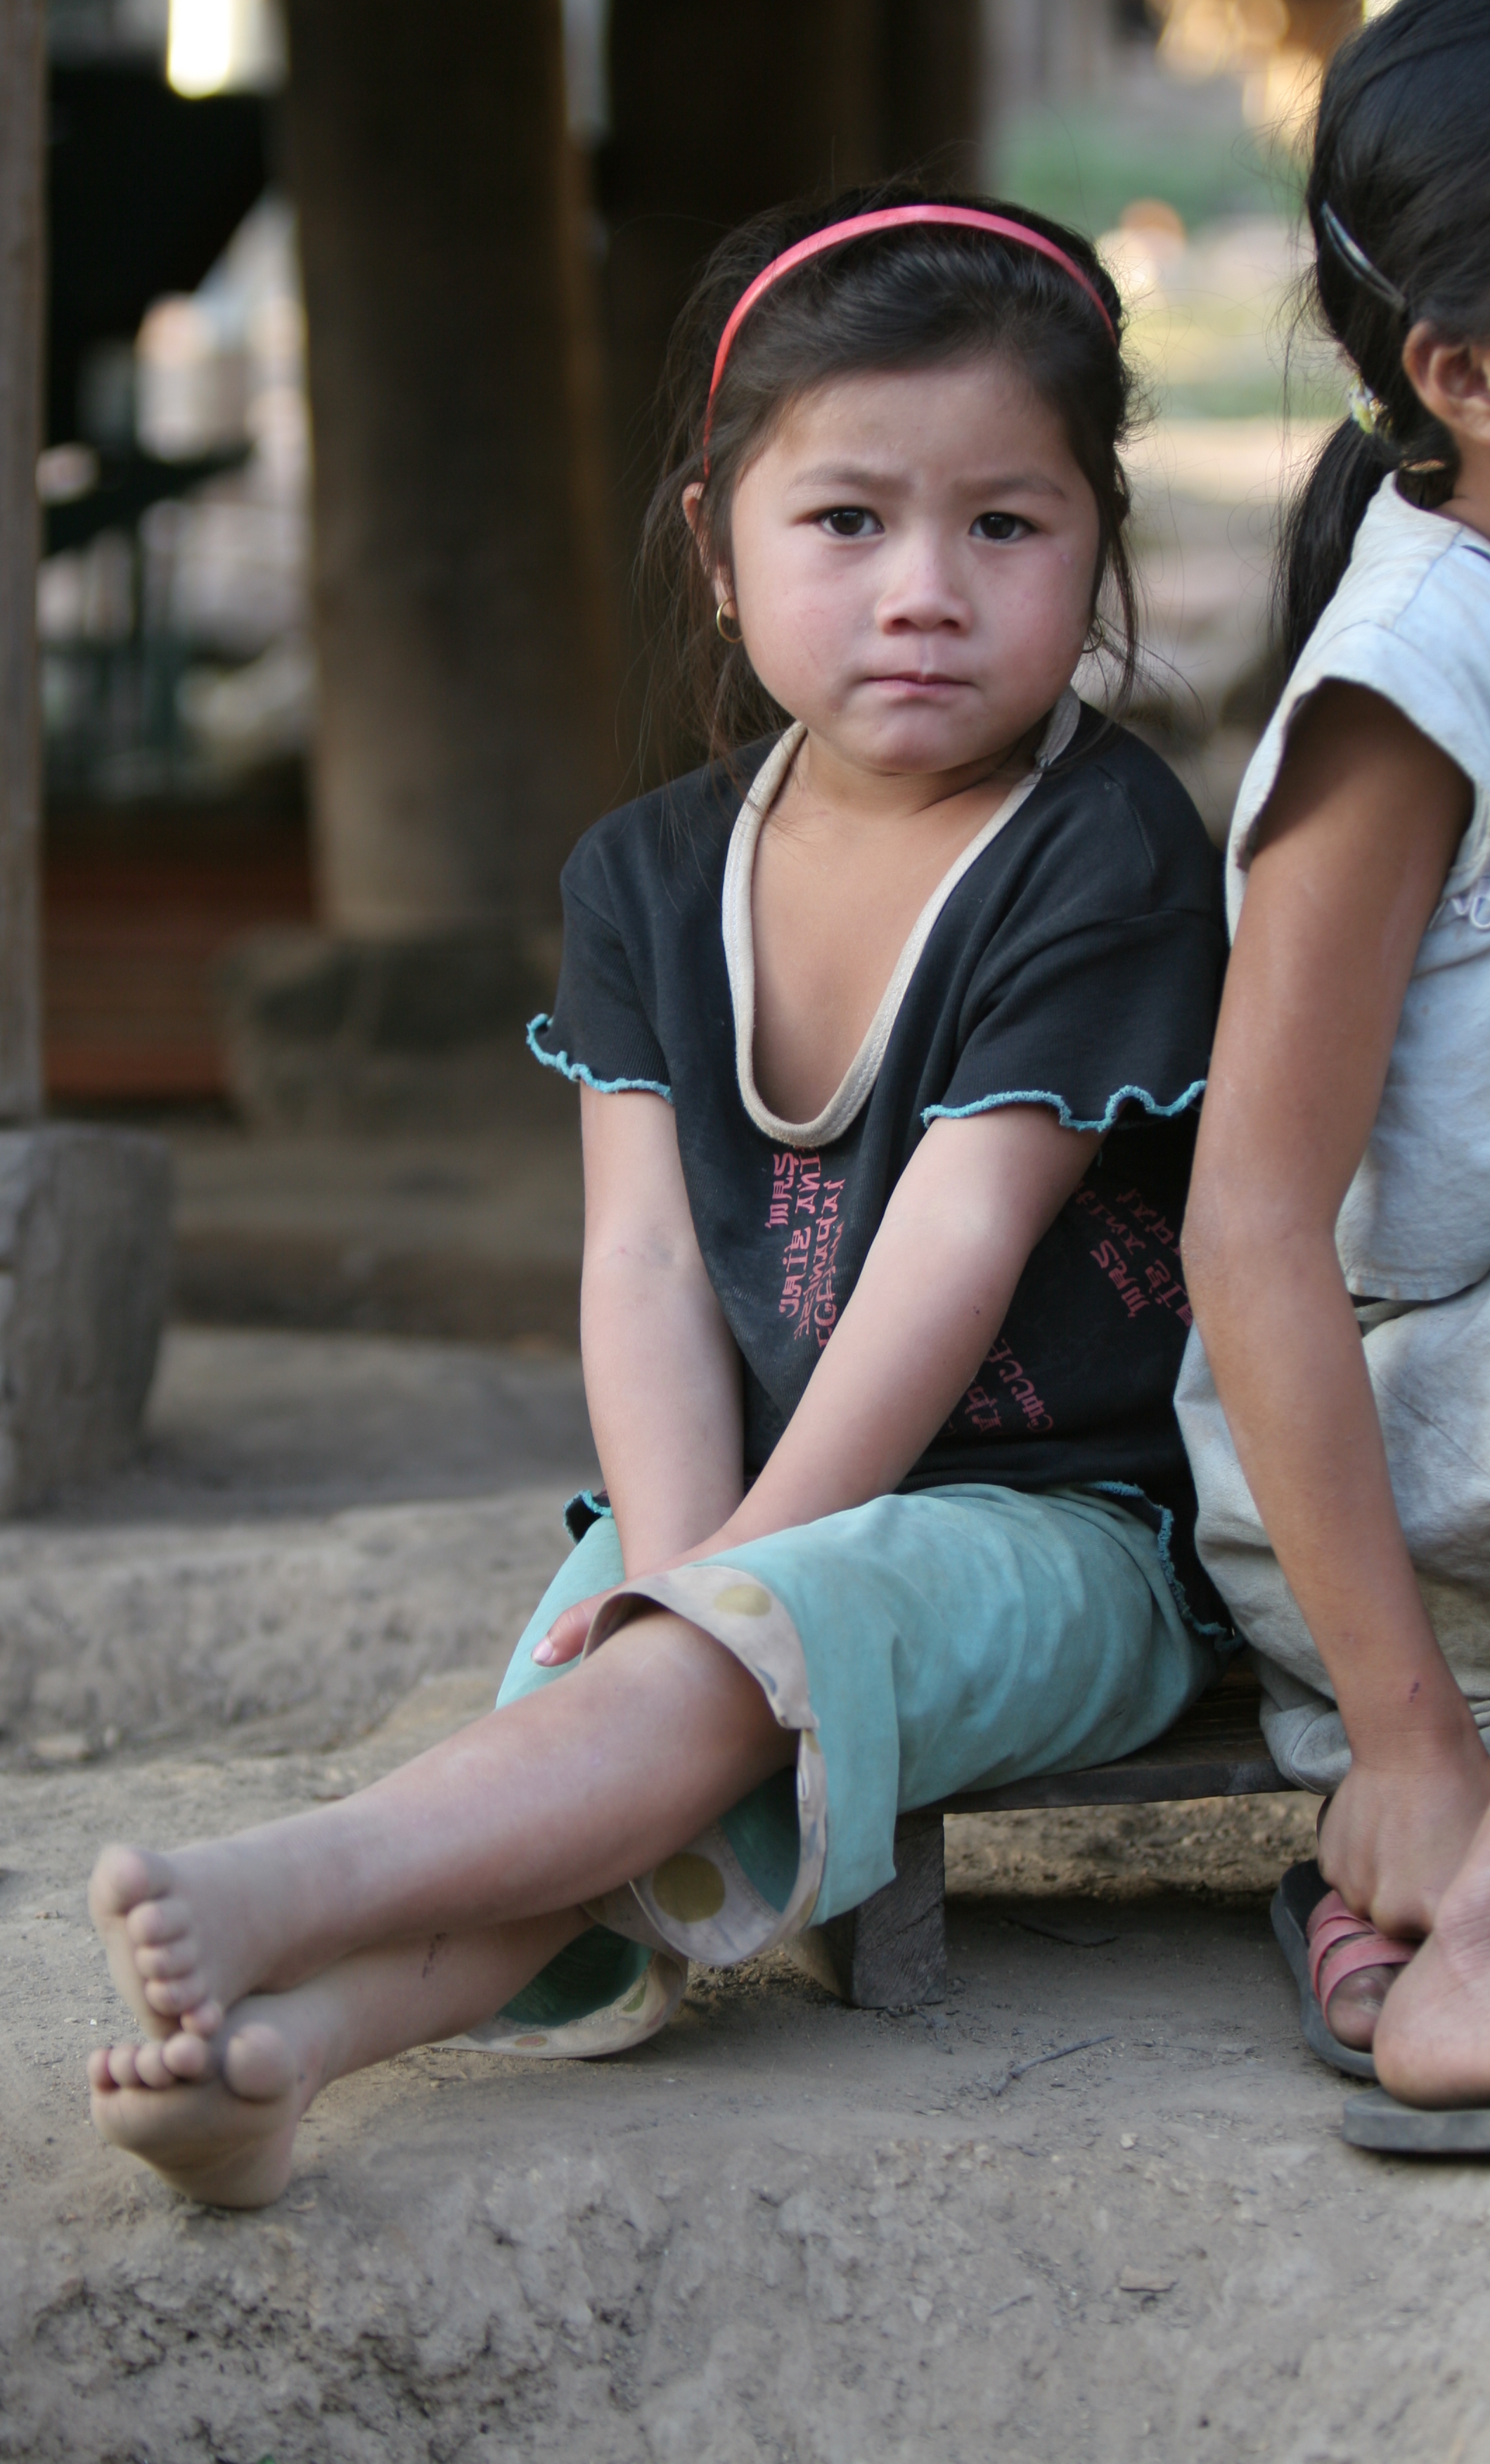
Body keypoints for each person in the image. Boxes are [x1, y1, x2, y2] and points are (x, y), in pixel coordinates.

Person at [85, 184, 1231, 2209]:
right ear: (715, 552)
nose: (925, 590)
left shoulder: (1101, 850)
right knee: (602, 1706)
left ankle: (294, 1885)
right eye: (846, 519)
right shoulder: (641, 877)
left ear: (1096, 545)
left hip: (1068, 1533)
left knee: (667, 1679)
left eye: (1007, 524)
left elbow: (956, 1250)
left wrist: (713, 1605)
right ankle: (286, 2062)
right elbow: (637, 1256)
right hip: (748, 1502)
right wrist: (682, 1568)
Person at [1176, 0, 1490, 2135]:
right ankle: (1446, 1871)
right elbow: (1250, 1222)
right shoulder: (1407, 689)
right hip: (1402, 1472)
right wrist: (1410, 1742)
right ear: (1461, 376)